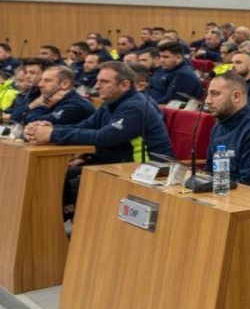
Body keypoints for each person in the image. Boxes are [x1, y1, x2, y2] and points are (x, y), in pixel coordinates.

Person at [24, 62, 173, 209]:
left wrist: (52, 134)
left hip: (146, 169)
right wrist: (47, 128)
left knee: (66, 181)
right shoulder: (110, 103)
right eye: (97, 80)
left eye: (104, 81)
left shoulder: (136, 107)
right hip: (119, 163)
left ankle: (72, 226)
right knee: (54, 176)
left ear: (124, 85)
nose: (96, 86)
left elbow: (104, 137)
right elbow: (84, 126)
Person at [23, 65, 96, 126]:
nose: (40, 85)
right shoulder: (54, 99)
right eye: (41, 80)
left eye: (47, 81)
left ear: (65, 84)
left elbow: (34, 122)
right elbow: (23, 118)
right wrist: (49, 102)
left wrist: (47, 103)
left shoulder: (75, 105)